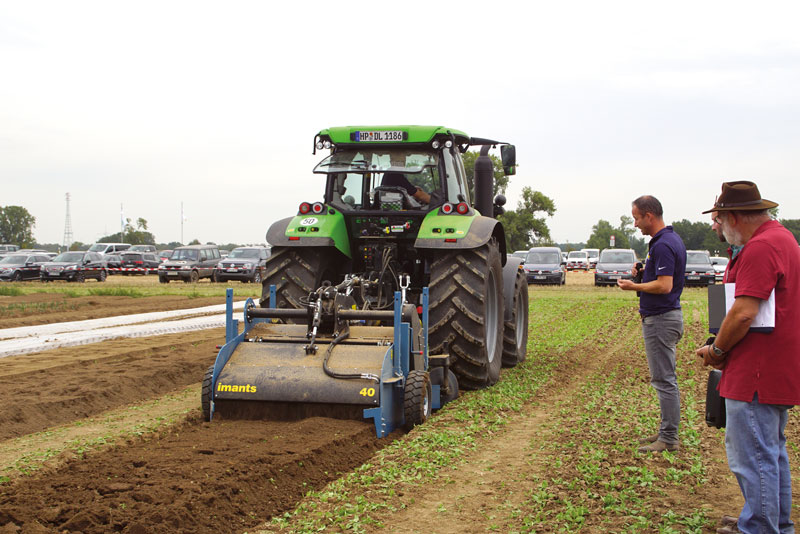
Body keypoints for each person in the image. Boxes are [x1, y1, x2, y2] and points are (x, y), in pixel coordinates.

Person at [696, 181, 799, 534]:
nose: (716, 226)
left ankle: (760, 526)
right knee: (770, 452)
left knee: (753, 457)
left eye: (719, 218)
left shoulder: (760, 247)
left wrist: (717, 351)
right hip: (774, 367)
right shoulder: (782, 239)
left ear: (736, 217)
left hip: (756, 370)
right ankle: (770, 521)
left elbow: (743, 313)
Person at [617, 195, 686, 452]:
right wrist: (644, 273)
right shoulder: (667, 241)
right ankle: (666, 432)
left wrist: (634, 286)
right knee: (664, 378)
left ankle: (668, 438)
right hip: (664, 317)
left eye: (636, 218)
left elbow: (665, 285)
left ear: (649, 215)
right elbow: (660, 278)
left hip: (661, 319)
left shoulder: (663, 245)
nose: (635, 224)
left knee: (664, 380)